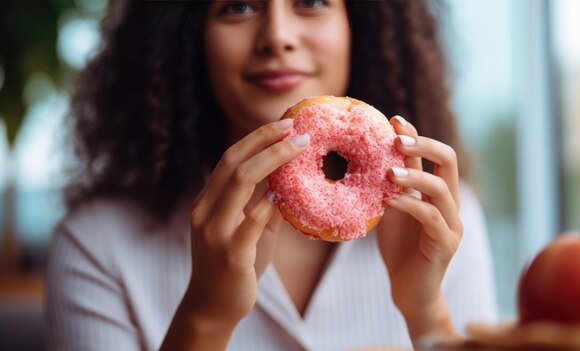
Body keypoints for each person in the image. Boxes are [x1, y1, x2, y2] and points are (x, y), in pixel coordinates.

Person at [45, 0, 498, 350]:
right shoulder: (97, 244)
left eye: (313, 1)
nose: (277, 36)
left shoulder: (438, 221)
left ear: (357, 24)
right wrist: (205, 318)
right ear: (188, 35)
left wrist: (425, 310)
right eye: (238, 6)